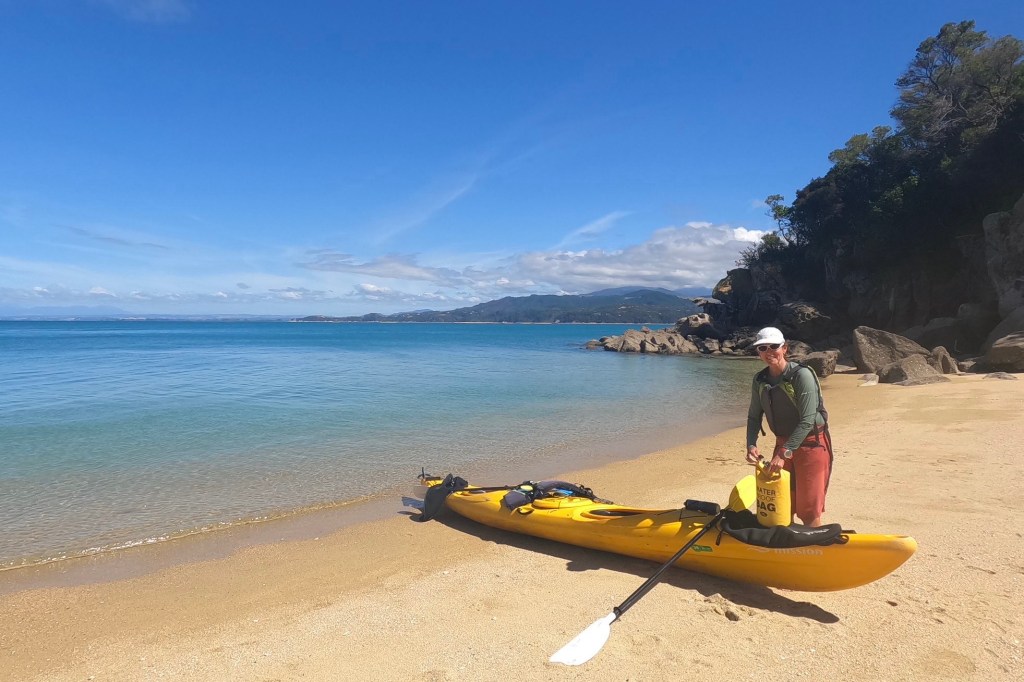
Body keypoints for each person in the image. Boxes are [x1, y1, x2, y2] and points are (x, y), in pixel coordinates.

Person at [744, 326, 832, 527]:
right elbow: (753, 416)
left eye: (774, 346)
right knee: (783, 503)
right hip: (783, 444)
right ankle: (785, 548)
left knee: (808, 509)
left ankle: (812, 550)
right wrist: (751, 444)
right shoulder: (760, 380)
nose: (769, 352)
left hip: (812, 444)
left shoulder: (801, 376)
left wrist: (783, 453)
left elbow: (808, 419)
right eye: (762, 348)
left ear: (785, 348)